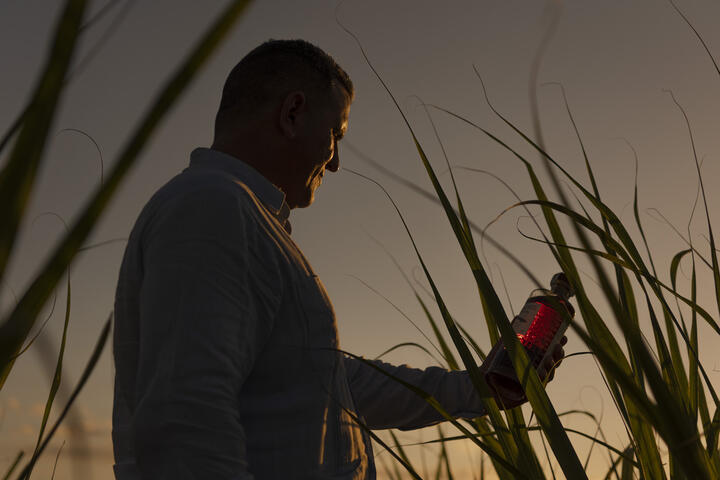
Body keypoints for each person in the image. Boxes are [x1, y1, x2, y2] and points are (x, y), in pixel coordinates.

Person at [111, 39, 566, 480]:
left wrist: (477, 388)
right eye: (336, 133)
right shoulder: (213, 208)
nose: (335, 163)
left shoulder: (242, 218)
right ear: (292, 113)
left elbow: (332, 385)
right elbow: (185, 425)